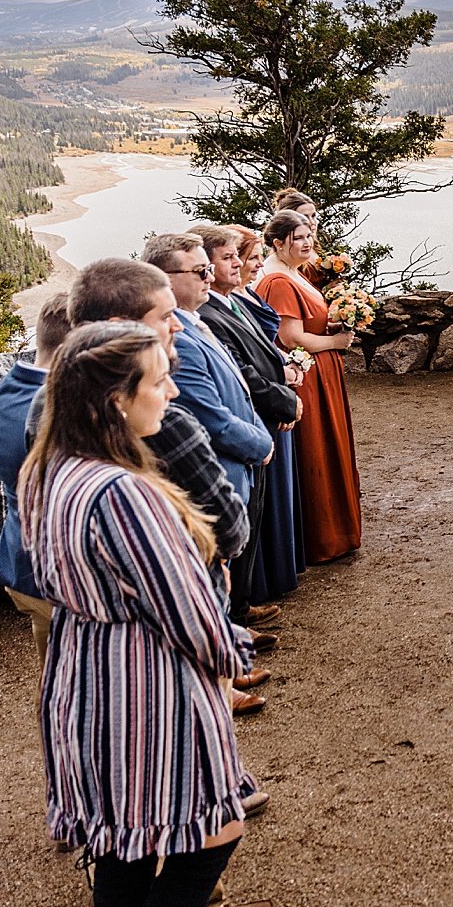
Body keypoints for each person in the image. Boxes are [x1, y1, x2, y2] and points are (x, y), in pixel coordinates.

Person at [18, 321, 274, 907]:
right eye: (159, 382)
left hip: (84, 666)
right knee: (215, 829)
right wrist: (228, 659)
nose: (173, 393)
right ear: (117, 401)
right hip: (146, 683)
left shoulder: (50, 469)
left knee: (126, 843)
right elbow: (188, 612)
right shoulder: (122, 493)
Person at [143, 234, 275, 624]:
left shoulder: (193, 322)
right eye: (200, 269)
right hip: (220, 465)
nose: (209, 275)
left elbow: (237, 387)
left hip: (240, 460)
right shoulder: (175, 337)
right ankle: (225, 651)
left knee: (229, 569)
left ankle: (234, 629)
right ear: (164, 277)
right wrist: (260, 442)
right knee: (214, 566)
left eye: (207, 267)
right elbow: (209, 416)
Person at [191, 225, 303, 616]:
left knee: (251, 518)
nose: (238, 264)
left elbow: (260, 354)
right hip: (242, 430)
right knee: (234, 523)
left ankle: (239, 605)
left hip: (260, 418)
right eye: (227, 258)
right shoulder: (205, 314)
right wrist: (279, 403)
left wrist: (285, 374)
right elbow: (238, 372)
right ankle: (233, 613)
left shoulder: (226, 303)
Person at [257, 211, 363, 564]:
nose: (308, 243)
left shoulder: (292, 273)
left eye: (309, 236)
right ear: (278, 242)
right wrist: (335, 342)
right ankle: (322, 537)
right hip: (309, 376)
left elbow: (306, 322)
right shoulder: (278, 281)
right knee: (316, 453)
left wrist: (333, 320)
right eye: (299, 238)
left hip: (321, 372)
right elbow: (290, 338)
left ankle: (337, 531)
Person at [0, 292, 73, 652]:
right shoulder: (56, 406)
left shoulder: (7, 389)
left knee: (53, 674)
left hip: (22, 556)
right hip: (60, 570)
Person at [225, 222, 306, 602]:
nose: (258, 265)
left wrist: (288, 366)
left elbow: (265, 348)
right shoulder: (217, 311)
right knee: (256, 499)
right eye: (250, 257)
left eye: (259, 257)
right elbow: (242, 367)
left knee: (267, 500)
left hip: (274, 396)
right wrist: (282, 396)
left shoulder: (239, 299)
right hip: (257, 408)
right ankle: (248, 597)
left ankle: (264, 583)